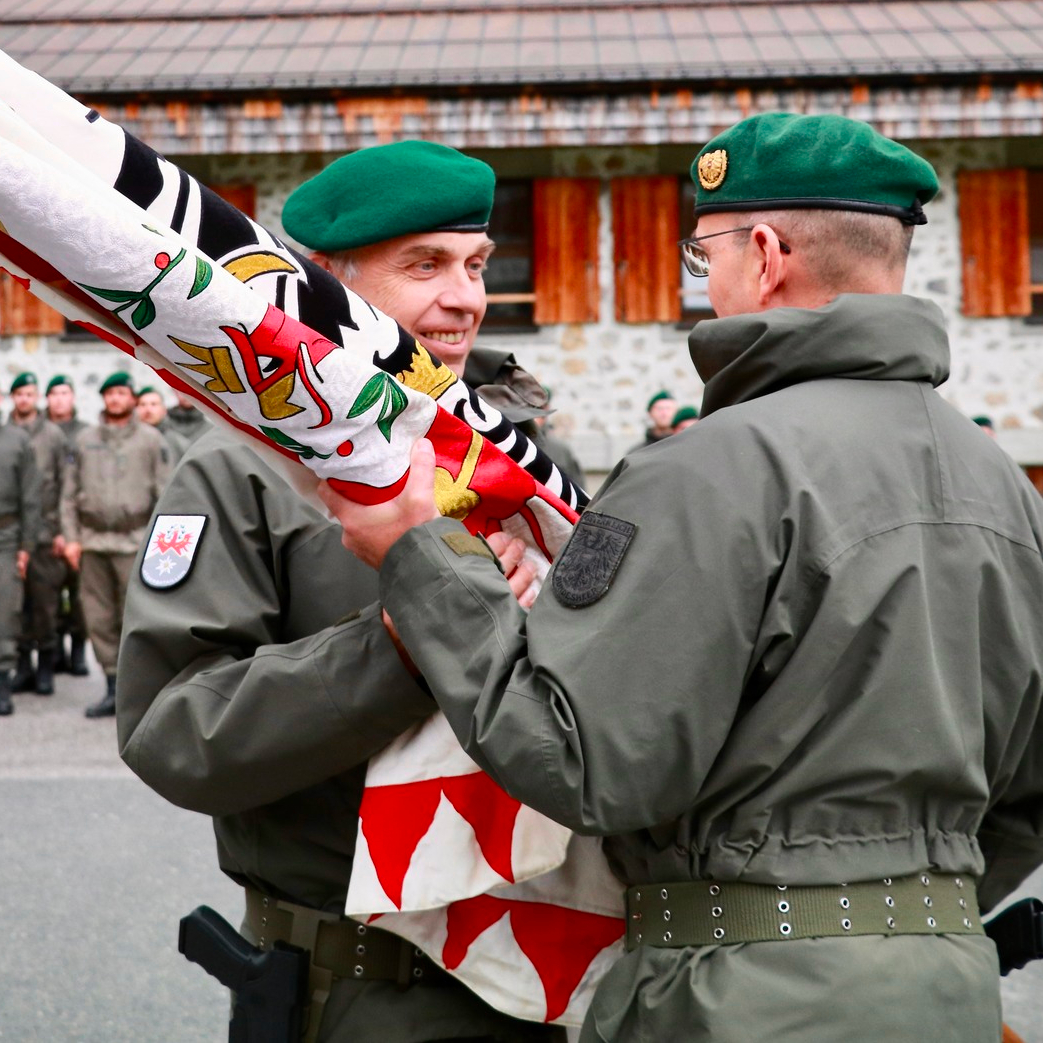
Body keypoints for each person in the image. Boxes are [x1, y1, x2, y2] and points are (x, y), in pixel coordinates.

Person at [322, 113, 1043, 1042]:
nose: (703, 284)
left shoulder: (705, 469)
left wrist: (423, 561)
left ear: (766, 255)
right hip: (945, 983)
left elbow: (584, 762)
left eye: (702, 256)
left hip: (736, 994)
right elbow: (1028, 788)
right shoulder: (1003, 485)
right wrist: (897, 912)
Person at [118, 140, 568, 1043]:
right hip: (356, 990)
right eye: (424, 265)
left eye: (476, 264)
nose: (465, 297)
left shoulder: (522, 460)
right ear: (326, 283)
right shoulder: (245, 469)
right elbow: (172, 733)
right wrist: (395, 643)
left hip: (537, 974)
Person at [61, 371, 169, 717]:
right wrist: (72, 539)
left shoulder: (151, 440)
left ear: (132, 398)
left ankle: (139, 691)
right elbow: (68, 494)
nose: (116, 398)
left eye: (122, 392)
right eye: (110, 393)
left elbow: (165, 494)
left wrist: (158, 543)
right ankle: (112, 686)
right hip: (93, 541)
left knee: (135, 618)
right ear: (104, 398)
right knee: (98, 617)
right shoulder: (84, 439)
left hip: (135, 541)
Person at [5, 372, 67, 696]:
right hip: (13, 532)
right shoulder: (6, 433)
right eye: (20, 394)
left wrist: (61, 530)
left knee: (44, 603)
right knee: (16, 605)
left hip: (45, 531)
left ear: (37, 397)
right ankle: (23, 665)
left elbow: (65, 482)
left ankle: (45, 665)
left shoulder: (53, 434)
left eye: (30, 394)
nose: (24, 399)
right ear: (12, 398)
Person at [44, 374, 90, 677]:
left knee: (79, 593)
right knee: (49, 594)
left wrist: (72, 531)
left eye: (65, 393)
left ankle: (78, 650)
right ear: (47, 399)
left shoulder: (86, 432)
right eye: (55, 394)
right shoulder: (38, 432)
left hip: (79, 526)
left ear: (72, 397)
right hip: (45, 525)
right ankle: (55, 650)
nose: (60, 399)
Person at [0, 387, 40, 716]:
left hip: (6, 537)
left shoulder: (18, 440)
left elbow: (31, 497)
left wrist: (26, 546)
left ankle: (2, 680)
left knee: (5, 610)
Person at [136, 385, 188, 464]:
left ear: (164, 410)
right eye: (143, 404)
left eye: (153, 404)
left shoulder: (179, 444)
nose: (148, 409)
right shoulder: (126, 440)